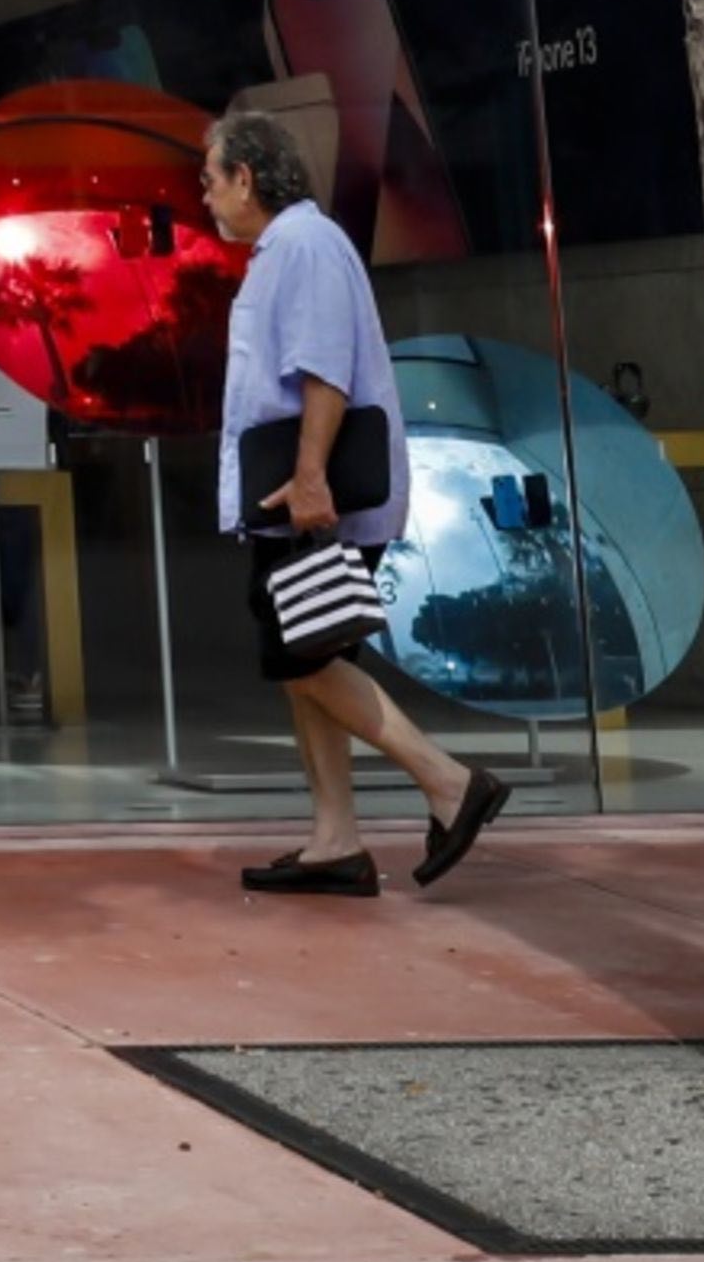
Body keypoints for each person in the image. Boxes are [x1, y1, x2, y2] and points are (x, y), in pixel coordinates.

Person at [206, 110, 507, 898]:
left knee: (300, 657)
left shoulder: (303, 246)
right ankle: (334, 838)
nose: (206, 199)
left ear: (246, 176)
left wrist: (310, 477)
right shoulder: (291, 248)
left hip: (310, 497)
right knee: (311, 652)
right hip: (296, 495)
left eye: (210, 180)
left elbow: (323, 370)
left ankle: (448, 782)